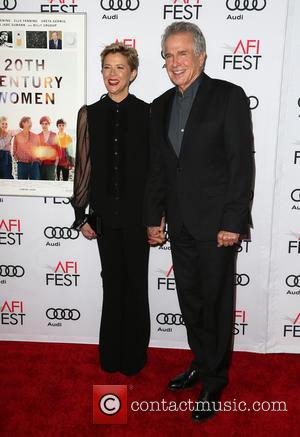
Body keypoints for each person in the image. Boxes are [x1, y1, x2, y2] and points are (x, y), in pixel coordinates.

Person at [144, 22, 254, 422]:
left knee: (216, 300)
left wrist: (232, 220)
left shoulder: (229, 97)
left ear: (201, 56)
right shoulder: (159, 106)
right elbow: (158, 169)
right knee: (190, 299)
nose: (174, 62)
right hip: (179, 222)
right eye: (168, 55)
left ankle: (215, 377)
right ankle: (200, 360)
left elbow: (241, 164)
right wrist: (153, 217)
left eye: (182, 53)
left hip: (217, 225)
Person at [71, 43, 150, 375]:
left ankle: (133, 357)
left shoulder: (148, 113)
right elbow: (83, 167)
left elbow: (154, 170)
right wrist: (80, 214)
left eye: (119, 67)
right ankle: (111, 355)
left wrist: (156, 215)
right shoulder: (89, 113)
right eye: (107, 67)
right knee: (112, 283)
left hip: (137, 216)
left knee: (136, 283)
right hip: (102, 214)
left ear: (132, 73)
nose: (112, 74)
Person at [38, 116, 61, 180]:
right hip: (40, 164)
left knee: (50, 183)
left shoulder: (54, 135)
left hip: (51, 164)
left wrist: (55, 164)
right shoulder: (38, 136)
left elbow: (58, 149)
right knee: (41, 184)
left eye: (46, 124)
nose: (44, 125)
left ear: (49, 124)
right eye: (42, 124)